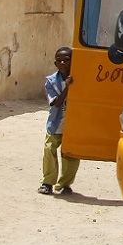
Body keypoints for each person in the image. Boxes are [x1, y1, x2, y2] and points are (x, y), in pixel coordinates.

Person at [38, 47, 81, 196]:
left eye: (66, 60)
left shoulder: (80, 79)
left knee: (71, 154)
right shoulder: (51, 81)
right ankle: (47, 182)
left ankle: (65, 184)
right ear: (55, 63)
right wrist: (68, 88)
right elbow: (56, 103)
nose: (63, 63)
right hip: (56, 123)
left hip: (73, 123)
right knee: (49, 149)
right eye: (59, 60)